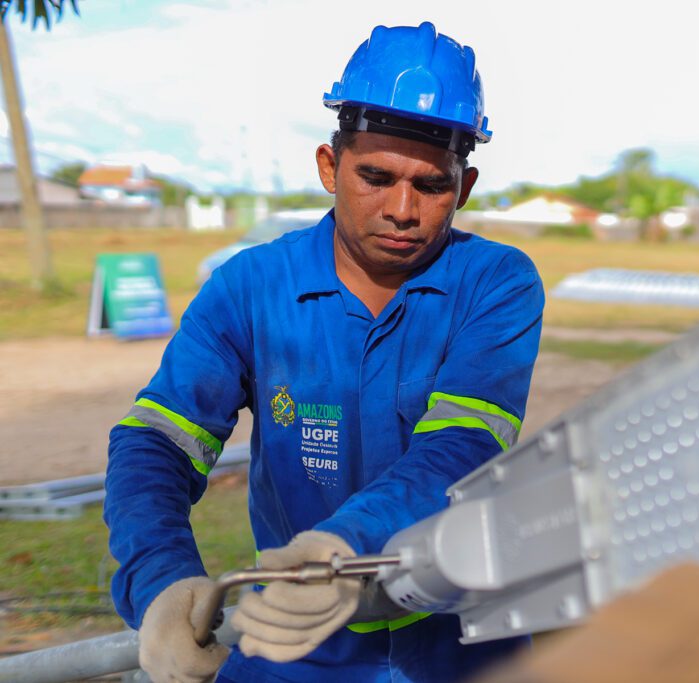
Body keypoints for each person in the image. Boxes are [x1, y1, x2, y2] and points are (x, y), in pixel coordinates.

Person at [103, 21, 544, 683]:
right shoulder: (250, 289)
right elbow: (157, 441)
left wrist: (343, 550)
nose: (402, 208)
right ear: (329, 167)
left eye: (431, 186)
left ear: (467, 185)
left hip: (464, 640)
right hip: (295, 643)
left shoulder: (498, 283)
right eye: (375, 176)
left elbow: (461, 448)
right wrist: (161, 582)